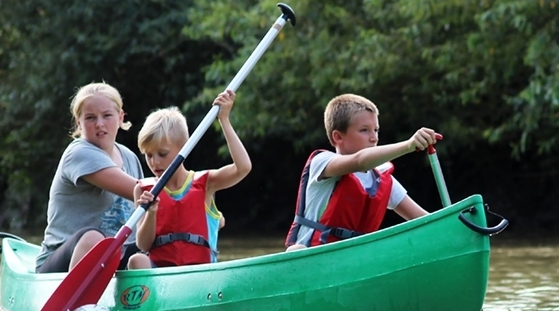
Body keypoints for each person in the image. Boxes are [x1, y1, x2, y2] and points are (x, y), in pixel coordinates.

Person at [285, 93, 439, 249]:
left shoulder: (381, 179)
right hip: (313, 253)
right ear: (338, 137)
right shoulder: (321, 162)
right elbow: (360, 161)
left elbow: (423, 219)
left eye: (376, 130)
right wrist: (408, 145)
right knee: (296, 249)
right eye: (364, 130)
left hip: (355, 259)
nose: (374, 138)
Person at [127, 89, 249, 269]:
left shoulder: (206, 183)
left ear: (184, 148)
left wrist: (224, 120)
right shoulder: (144, 190)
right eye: (149, 155)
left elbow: (243, 168)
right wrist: (151, 212)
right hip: (162, 276)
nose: (154, 162)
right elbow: (143, 245)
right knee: (136, 260)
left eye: (162, 154)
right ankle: (150, 298)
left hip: (200, 273)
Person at [35, 82, 144, 273]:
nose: (100, 124)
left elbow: (149, 209)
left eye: (107, 115)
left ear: (120, 117)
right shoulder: (79, 153)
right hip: (61, 264)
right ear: (79, 122)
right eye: (90, 118)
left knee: (148, 251)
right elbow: (142, 191)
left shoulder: (130, 157)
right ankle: (76, 301)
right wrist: (192, 187)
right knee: (94, 240)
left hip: (115, 256)